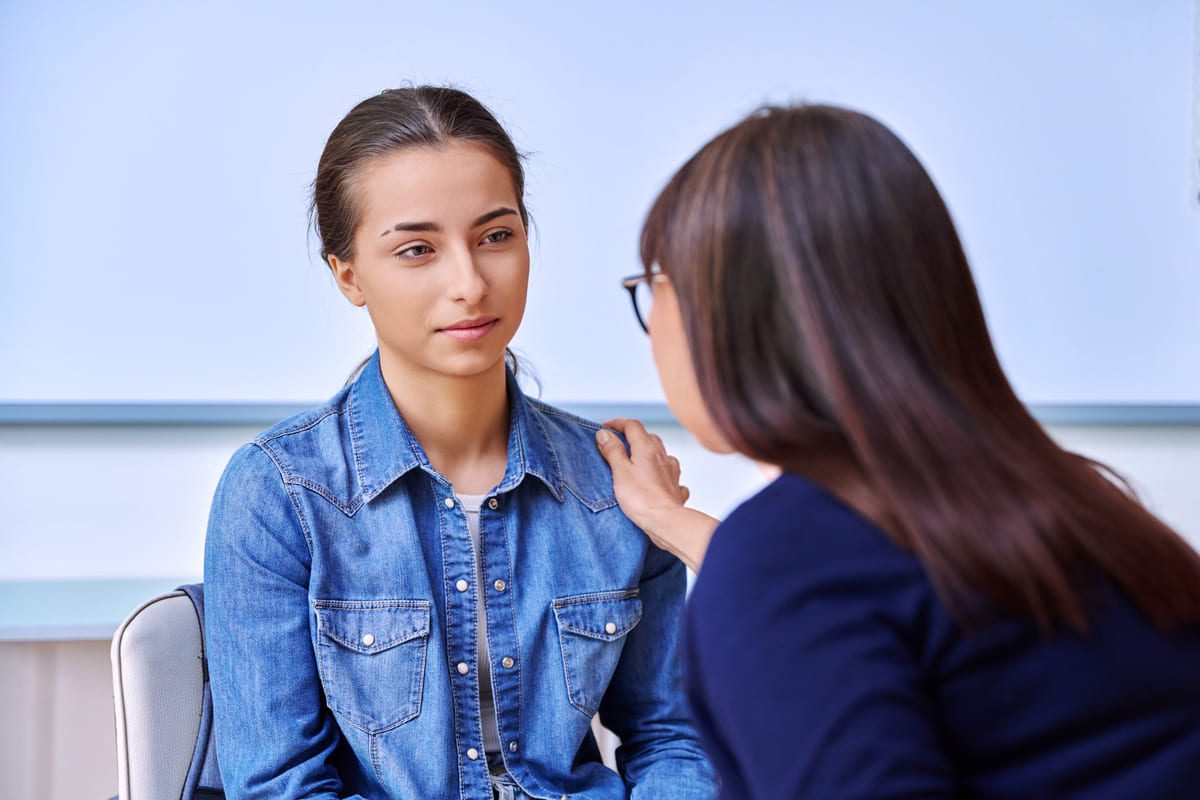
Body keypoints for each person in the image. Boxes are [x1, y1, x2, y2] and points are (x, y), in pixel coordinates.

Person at [595, 104, 1200, 798]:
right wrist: (679, 527)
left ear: (730, 310)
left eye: (655, 284)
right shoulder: (1077, 501)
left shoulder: (786, 562)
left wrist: (739, 560)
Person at [203, 86, 716, 800]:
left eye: (496, 236)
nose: (470, 283)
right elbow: (278, 785)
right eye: (418, 250)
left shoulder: (617, 485)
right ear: (348, 274)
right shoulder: (277, 494)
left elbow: (674, 738)